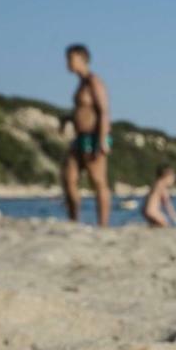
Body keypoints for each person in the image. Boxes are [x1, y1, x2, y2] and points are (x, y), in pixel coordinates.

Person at [61, 44, 112, 227]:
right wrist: (67, 119)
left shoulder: (94, 81)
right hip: (79, 137)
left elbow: (104, 111)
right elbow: (81, 109)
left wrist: (102, 141)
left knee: (97, 181)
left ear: (82, 59)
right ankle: (73, 220)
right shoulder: (81, 83)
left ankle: (103, 224)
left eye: (70, 59)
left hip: (94, 136)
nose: (67, 63)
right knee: (68, 177)